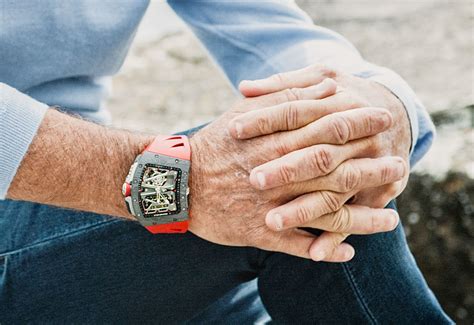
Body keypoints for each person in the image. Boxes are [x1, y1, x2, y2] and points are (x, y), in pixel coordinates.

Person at [0, 1, 452, 323]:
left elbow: (267, 30)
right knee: (279, 184)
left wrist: (374, 104)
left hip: (77, 239)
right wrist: (181, 182)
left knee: (309, 167)